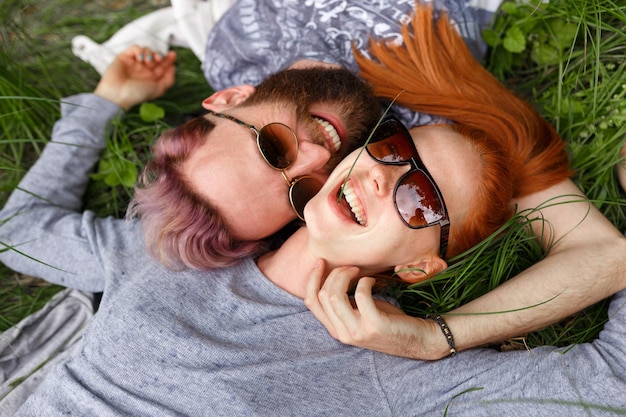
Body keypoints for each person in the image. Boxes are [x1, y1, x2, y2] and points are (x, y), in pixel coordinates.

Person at [1, 10, 626, 415]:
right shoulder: (175, 253)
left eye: (420, 199)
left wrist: (441, 337)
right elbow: (18, 236)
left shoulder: (384, 370)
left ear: (420, 268)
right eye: (388, 152)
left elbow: (610, 383)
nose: (382, 176)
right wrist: (102, 102)